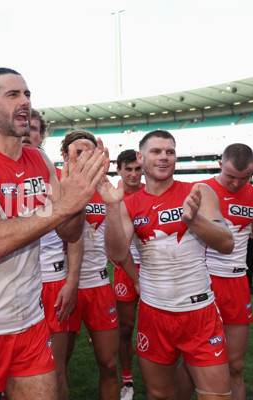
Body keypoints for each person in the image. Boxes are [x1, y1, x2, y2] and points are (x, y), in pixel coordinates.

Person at [0, 67, 108, 399]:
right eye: (13, 94)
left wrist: (77, 198)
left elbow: (70, 233)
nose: (25, 103)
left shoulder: (39, 159)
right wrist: (65, 204)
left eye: (28, 94)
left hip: (31, 321)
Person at [101, 129, 234, 400]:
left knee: (218, 396)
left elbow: (226, 243)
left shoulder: (198, 192)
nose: (164, 157)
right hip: (154, 315)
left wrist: (194, 220)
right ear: (141, 157)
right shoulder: (130, 204)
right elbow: (116, 252)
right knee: (160, 395)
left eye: (170, 152)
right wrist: (113, 209)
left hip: (200, 313)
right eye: (156, 151)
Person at [177, 143, 253, 400]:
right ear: (219, 165)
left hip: (236, 284)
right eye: (230, 177)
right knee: (194, 363)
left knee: (235, 365)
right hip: (204, 282)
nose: (236, 184)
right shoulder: (200, 190)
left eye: (244, 177)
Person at [61, 131, 120, 400]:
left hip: (98, 285)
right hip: (62, 287)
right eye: (77, 151)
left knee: (108, 365)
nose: (84, 156)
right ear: (65, 156)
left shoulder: (107, 189)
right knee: (59, 365)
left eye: (90, 151)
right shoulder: (55, 187)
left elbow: (118, 248)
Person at [22, 109, 77, 400]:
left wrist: (71, 282)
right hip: (15, 283)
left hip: (53, 280)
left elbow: (75, 237)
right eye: (24, 127)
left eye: (34, 129)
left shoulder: (58, 177)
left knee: (56, 370)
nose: (28, 133)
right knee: (15, 369)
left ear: (42, 135)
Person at [111, 149, 143, 400]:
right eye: (128, 169)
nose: (133, 174)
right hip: (124, 271)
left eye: (137, 169)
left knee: (156, 326)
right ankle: (128, 381)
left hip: (154, 269)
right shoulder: (112, 197)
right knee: (125, 328)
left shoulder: (150, 191)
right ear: (118, 170)